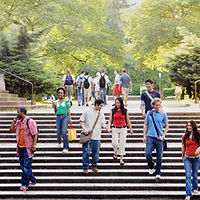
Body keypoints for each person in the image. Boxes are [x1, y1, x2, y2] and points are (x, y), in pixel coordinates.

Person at [10, 107, 38, 191]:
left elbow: (35, 134)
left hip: (28, 148)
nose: (16, 114)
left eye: (17, 112)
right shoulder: (18, 123)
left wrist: (34, 146)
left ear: (22, 112)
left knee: (26, 166)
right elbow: (11, 130)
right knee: (23, 166)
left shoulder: (30, 121)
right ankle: (32, 179)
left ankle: (24, 184)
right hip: (20, 147)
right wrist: (13, 121)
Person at [79, 99, 109, 174]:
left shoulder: (100, 113)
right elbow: (81, 121)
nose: (101, 107)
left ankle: (94, 165)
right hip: (88, 135)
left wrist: (106, 127)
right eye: (100, 105)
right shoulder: (87, 111)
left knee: (96, 153)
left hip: (97, 135)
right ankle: (85, 167)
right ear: (96, 104)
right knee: (86, 152)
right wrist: (84, 129)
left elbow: (103, 123)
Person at [143, 98, 168, 180]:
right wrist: (144, 135)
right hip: (150, 136)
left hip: (159, 138)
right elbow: (145, 124)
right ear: (153, 105)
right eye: (156, 105)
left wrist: (163, 135)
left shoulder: (163, 114)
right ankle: (151, 166)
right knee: (147, 153)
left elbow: (167, 126)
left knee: (159, 156)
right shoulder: (149, 113)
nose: (158, 107)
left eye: (159, 105)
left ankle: (158, 172)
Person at [108, 97, 133, 165]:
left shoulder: (125, 110)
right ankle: (115, 151)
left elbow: (128, 120)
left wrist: (130, 129)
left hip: (123, 128)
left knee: (122, 144)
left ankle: (121, 159)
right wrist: (108, 127)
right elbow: (110, 120)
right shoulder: (112, 110)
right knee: (114, 143)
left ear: (121, 103)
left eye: (118, 103)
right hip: (115, 128)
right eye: (116, 103)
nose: (117, 104)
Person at [182, 120, 200, 200]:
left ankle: (195, 187)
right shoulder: (185, 135)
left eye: (190, 125)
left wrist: (199, 148)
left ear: (193, 126)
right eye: (187, 125)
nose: (188, 127)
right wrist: (182, 156)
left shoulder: (198, 134)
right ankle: (188, 194)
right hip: (187, 158)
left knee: (195, 174)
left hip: (196, 158)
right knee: (188, 175)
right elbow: (183, 146)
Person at [52, 87, 72, 153]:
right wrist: (54, 106)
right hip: (58, 117)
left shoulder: (66, 100)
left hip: (65, 116)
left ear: (63, 93)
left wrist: (70, 118)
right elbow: (55, 111)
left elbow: (68, 109)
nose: (60, 94)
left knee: (64, 132)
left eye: (61, 93)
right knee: (59, 132)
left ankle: (66, 147)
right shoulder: (55, 101)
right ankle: (59, 141)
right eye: (59, 93)